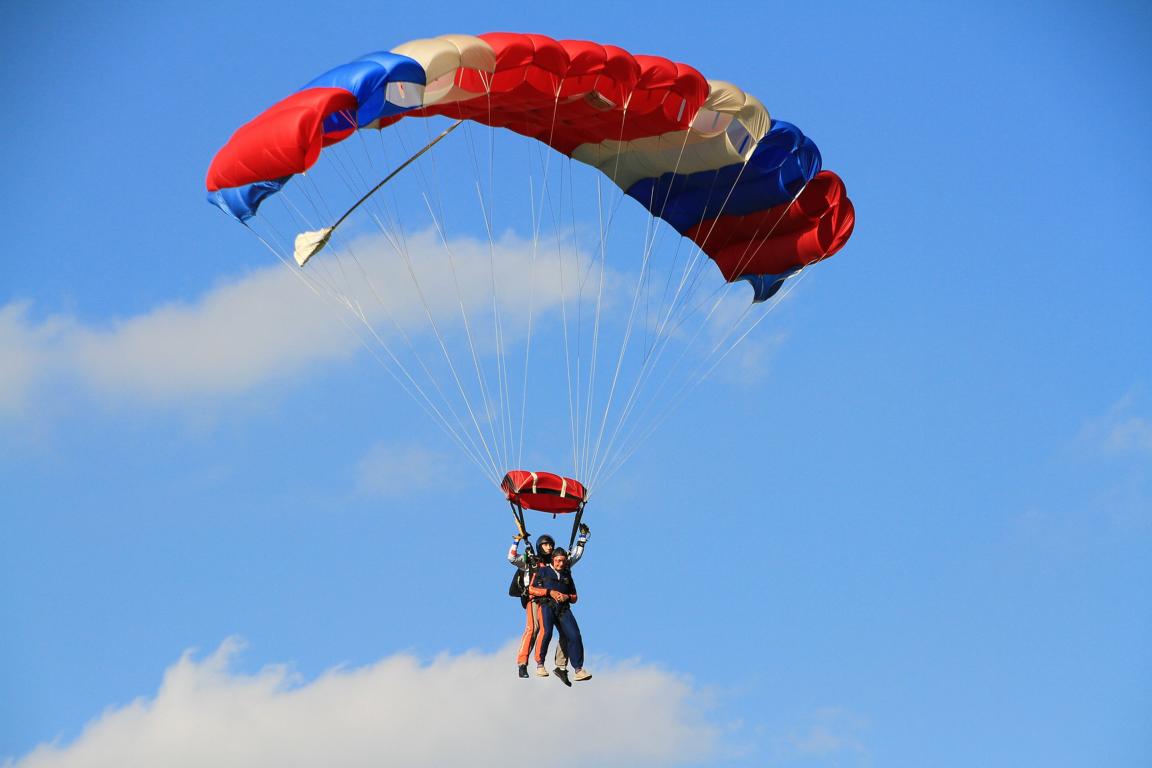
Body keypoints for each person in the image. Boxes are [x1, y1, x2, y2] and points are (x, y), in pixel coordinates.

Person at [508, 529, 587, 679]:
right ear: (539, 546)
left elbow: (574, 557)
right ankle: (523, 663)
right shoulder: (531, 560)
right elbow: (512, 558)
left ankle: (561, 666)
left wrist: (582, 538)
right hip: (535, 598)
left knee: (566, 632)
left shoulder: (557, 562)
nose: (549, 547)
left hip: (553, 602)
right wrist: (516, 541)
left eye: (550, 545)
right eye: (545, 545)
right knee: (534, 628)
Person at [529, 547, 591, 682]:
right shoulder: (543, 571)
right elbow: (532, 589)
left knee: (574, 635)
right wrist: (549, 592)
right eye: (558, 561)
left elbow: (574, 597)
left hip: (563, 608)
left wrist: (566, 596)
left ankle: (578, 669)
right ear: (553, 560)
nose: (561, 564)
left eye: (563, 561)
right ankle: (540, 664)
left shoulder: (566, 575)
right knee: (547, 632)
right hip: (546, 605)